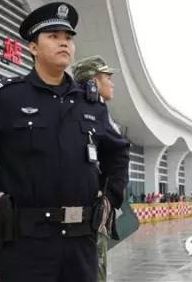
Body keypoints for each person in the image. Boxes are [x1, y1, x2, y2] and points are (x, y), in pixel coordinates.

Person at [0, 2, 130, 282]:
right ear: (33, 47)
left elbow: (118, 151)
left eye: (68, 38)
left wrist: (111, 198)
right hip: (26, 243)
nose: (63, 43)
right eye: (53, 36)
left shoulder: (90, 105)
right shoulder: (8, 98)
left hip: (82, 243)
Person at [72, 55, 123, 282]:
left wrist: (110, 196)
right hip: (82, 215)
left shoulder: (99, 114)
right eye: (106, 77)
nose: (111, 83)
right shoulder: (83, 112)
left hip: (94, 212)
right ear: (92, 81)